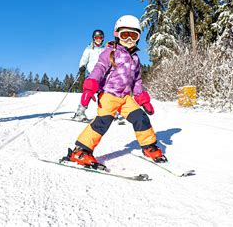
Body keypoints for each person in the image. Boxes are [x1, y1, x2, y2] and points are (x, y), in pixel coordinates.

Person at [67, 15, 166, 165]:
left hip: (125, 98)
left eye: (133, 35)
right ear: (117, 34)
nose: (128, 39)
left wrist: (143, 100)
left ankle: (149, 146)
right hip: (108, 95)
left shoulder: (136, 59)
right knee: (103, 121)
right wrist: (89, 88)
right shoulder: (109, 52)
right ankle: (80, 151)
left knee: (141, 118)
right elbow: (98, 70)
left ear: (138, 37)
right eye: (124, 34)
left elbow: (137, 81)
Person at [73, 29, 105, 121]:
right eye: (96, 38)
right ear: (93, 38)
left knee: (104, 93)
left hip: (102, 75)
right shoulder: (89, 49)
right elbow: (84, 59)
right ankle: (80, 113)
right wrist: (82, 66)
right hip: (91, 74)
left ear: (102, 39)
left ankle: (105, 113)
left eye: (100, 38)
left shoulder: (105, 49)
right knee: (89, 91)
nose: (98, 39)